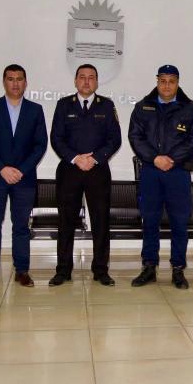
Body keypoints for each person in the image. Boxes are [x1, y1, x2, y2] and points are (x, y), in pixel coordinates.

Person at [128, 64, 193, 289]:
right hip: (151, 171)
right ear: (157, 81)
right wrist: (155, 158)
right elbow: (135, 137)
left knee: (179, 221)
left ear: (177, 83)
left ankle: (178, 268)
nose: (167, 86)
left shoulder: (190, 108)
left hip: (178, 171)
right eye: (163, 81)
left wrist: (171, 158)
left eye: (171, 81)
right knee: (150, 220)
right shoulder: (142, 107)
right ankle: (149, 267)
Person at [49, 64, 122, 286]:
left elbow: (114, 139)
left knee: (101, 222)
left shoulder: (107, 106)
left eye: (91, 77)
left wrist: (94, 158)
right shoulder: (64, 105)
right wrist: (76, 158)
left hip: (97, 171)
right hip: (69, 170)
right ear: (75, 81)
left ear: (97, 82)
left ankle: (101, 269)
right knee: (66, 222)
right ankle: (63, 270)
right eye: (82, 77)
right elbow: (56, 138)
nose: (87, 81)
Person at [0, 64, 47, 289]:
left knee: (21, 226)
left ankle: (22, 270)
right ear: (4, 82)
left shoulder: (35, 110)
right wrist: (2, 168)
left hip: (24, 179)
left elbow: (40, 145)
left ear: (26, 82)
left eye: (19, 79)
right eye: (10, 79)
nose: (15, 83)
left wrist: (21, 170)